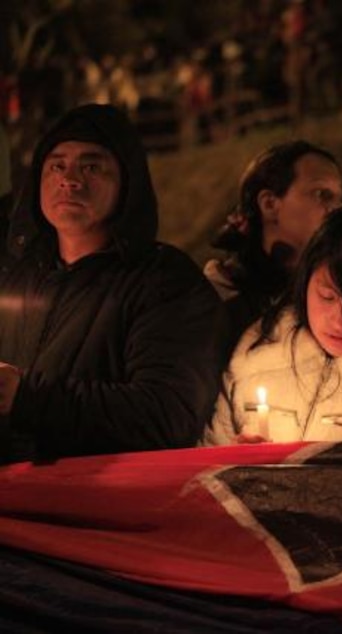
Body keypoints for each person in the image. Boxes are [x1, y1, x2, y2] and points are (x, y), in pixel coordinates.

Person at [0, 103, 224, 464]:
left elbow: (167, 415)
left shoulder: (164, 283)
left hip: (97, 511)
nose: (69, 179)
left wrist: (25, 398)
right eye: (57, 165)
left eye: (91, 166)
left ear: (127, 181)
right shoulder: (15, 277)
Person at [204, 202, 342, 445]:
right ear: (306, 279)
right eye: (327, 296)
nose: (339, 322)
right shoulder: (257, 353)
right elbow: (209, 458)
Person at [204, 140, 342, 356]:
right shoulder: (214, 302)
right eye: (321, 194)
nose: (336, 211)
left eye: (338, 199)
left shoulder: (340, 295)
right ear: (269, 204)